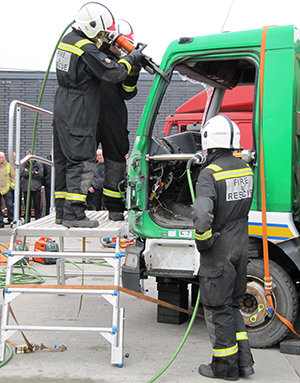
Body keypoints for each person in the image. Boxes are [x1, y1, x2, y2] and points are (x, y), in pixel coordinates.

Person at [53, 2, 143, 228]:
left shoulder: (68, 41)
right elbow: (113, 72)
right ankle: (74, 214)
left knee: (65, 159)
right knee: (81, 160)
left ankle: (63, 213)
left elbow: (125, 89)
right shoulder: (88, 49)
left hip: (68, 107)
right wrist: (130, 60)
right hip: (82, 110)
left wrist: (133, 70)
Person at [192, 115, 255, 381]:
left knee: (218, 310)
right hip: (241, 244)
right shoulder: (244, 168)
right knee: (232, 306)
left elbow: (203, 215)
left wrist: (203, 241)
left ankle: (225, 368)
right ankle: (244, 363)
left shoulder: (209, 174)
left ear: (209, 142)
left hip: (219, 250)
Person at [97, 19, 140, 221]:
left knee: (115, 161)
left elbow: (127, 93)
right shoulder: (94, 56)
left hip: (114, 116)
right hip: (90, 115)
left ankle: (115, 208)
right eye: (120, 45)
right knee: (83, 160)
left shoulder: (121, 62)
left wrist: (134, 70)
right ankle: (74, 207)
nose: (121, 50)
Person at [20, 151, 44, 222]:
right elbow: (22, 173)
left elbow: (41, 174)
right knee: (27, 206)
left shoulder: (39, 164)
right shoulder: (23, 164)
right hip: (26, 188)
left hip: (36, 188)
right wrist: (34, 172)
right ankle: (27, 220)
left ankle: (38, 220)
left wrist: (29, 172)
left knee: (37, 205)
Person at [0, 152, 15, 227]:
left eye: (2, 157)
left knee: (9, 205)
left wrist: (11, 187)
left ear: (4, 157)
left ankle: (11, 220)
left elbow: (13, 177)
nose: (1, 159)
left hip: (7, 188)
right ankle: (0, 222)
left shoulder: (9, 166)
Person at [43, 151, 52, 215]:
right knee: (48, 201)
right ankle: (48, 214)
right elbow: (43, 173)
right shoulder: (46, 162)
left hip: (58, 185)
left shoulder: (59, 161)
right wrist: (45, 182)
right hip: (48, 185)